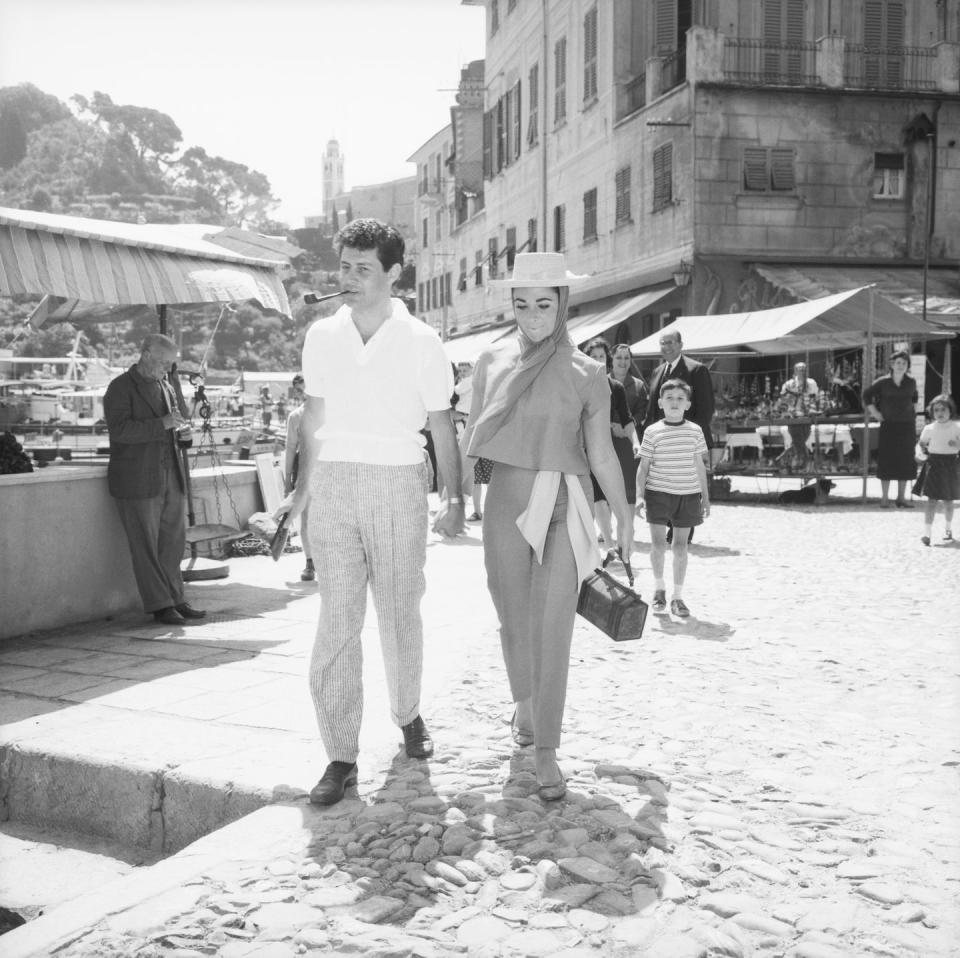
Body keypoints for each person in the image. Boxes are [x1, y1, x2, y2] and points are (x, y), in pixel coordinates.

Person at [276, 218, 464, 807]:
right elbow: (314, 417)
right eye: (345, 268)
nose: (350, 279)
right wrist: (299, 493)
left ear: (393, 273)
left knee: (399, 611)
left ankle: (408, 715)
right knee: (337, 617)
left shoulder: (423, 342)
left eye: (363, 269)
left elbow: (440, 426)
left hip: (398, 480)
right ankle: (340, 754)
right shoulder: (322, 335)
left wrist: (454, 498)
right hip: (334, 481)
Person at [463, 253, 633, 801]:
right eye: (522, 305)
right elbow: (480, 443)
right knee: (512, 614)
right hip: (507, 497)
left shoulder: (587, 372)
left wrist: (626, 515)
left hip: (566, 496)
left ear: (563, 303)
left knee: (553, 620)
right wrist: (456, 500)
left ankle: (546, 751)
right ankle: (524, 707)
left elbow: (603, 453)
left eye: (544, 304)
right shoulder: (489, 360)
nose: (533, 316)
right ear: (510, 304)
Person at [103, 333, 206, 626]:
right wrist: (162, 424)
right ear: (145, 354)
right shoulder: (120, 388)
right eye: (163, 363)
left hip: (170, 475)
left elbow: (174, 427)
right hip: (137, 479)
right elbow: (120, 431)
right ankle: (161, 605)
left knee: (174, 542)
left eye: (170, 364)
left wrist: (183, 437)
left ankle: (176, 598)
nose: (166, 369)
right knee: (145, 545)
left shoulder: (165, 385)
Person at [636, 378, 710, 619]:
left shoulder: (695, 431)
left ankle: (678, 597)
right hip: (658, 494)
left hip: (688, 495)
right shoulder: (652, 431)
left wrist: (705, 497)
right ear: (660, 403)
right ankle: (659, 588)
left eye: (680, 398)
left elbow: (700, 466)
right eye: (669, 398)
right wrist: (640, 496)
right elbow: (643, 467)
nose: (675, 402)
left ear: (688, 404)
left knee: (680, 546)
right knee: (658, 545)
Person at [584, 338, 638, 548]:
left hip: (608, 449)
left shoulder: (615, 387)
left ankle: (614, 541)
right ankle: (608, 543)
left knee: (610, 496)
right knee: (597, 498)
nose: (598, 360)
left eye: (601, 356)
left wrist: (635, 442)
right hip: (583, 448)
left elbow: (627, 419)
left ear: (606, 359)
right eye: (593, 356)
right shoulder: (578, 385)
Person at [642, 329, 715, 449]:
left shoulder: (697, 370)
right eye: (663, 343)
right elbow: (652, 411)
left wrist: (688, 439)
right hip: (661, 444)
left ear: (681, 345)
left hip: (690, 444)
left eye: (670, 342)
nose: (666, 346)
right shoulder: (657, 372)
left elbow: (706, 410)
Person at [863, 350, 918, 508]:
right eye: (898, 363)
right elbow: (867, 395)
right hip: (889, 425)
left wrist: (913, 410)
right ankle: (884, 498)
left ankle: (901, 498)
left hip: (907, 425)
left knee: (906, 460)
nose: (901, 366)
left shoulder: (911, 381)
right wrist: (875, 413)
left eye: (904, 363)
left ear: (907, 365)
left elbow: (915, 396)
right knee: (887, 460)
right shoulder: (883, 382)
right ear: (892, 364)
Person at [914, 394, 960, 546]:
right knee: (931, 501)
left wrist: (957, 445)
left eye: (943, 409)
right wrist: (920, 453)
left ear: (950, 410)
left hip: (951, 465)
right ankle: (927, 534)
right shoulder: (929, 428)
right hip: (933, 465)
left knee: (948, 501)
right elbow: (921, 445)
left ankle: (948, 529)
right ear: (932, 412)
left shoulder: (957, 427)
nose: (940, 413)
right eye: (936, 410)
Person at [283, 374, 314, 581]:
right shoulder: (296, 416)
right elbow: (290, 448)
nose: (304, 394)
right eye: (300, 390)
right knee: (306, 521)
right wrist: (288, 480)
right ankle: (310, 563)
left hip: (331, 473)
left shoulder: (333, 412)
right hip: (305, 473)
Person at [780, 362, 819, 470]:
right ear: (795, 370)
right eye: (799, 369)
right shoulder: (789, 384)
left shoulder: (811, 382)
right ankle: (803, 462)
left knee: (801, 439)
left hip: (807, 416)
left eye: (803, 369)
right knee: (797, 439)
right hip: (793, 416)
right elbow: (783, 398)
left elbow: (814, 397)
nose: (802, 371)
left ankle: (789, 459)